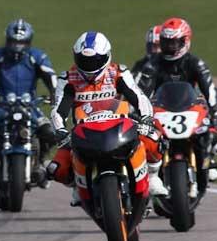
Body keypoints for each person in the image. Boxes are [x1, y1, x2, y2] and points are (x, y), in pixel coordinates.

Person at [46, 31, 168, 199]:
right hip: (84, 132)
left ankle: (153, 177)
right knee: (56, 169)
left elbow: (138, 96)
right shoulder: (68, 79)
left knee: (154, 136)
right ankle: (77, 184)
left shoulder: (118, 72)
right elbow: (59, 110)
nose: (89, 66)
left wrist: (146, 117)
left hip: (119, 126)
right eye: (84, 61)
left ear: (106, 57)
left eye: (94, 61)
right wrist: (60, 130)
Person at [0, 19, 57, 186]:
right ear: (7, 40)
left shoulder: (37, 56)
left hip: (30, 105)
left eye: (22, 42)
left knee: (49, 132)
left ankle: (41, 163)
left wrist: (55, 93)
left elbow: (51, 76)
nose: (17, 47)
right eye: (14, 42)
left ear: (29, 42)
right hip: (0, 105)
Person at [138, 17, 217, 180]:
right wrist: (138, 111)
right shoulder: (152, 64)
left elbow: (210, 91)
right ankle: (151, 173)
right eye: (166, 42)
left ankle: (207, 158)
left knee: (213, 137)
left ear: (185, 41)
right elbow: (141, 92)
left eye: (174, 43)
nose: (169, 47)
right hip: (161, 109)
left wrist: (216, 116)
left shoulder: (195, 63)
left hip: (190, 107)